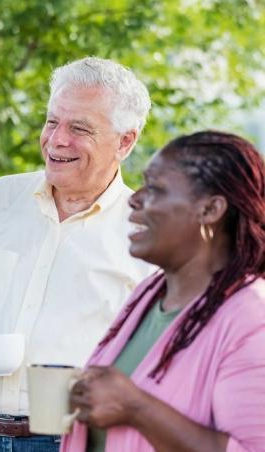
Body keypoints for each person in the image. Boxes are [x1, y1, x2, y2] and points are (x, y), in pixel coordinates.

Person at [0, 57, 155, 451]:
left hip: (79, 441)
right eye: (51, 121)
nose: (57, 139)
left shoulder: (147, 233)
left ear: (125, 141)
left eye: (79, 128)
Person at [62, 131, 265, 451]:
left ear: (210, 210)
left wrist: (136, 408)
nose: (135, 198)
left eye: (155, 188)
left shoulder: (251, 317)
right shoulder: (149, 292)